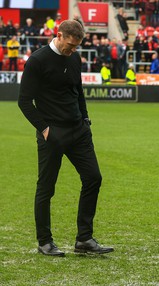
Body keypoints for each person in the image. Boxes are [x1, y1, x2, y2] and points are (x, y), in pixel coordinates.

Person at [18, 20, 114, 257]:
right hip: (53, 133)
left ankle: (84, 239)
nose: (72, 51)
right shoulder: (37, 61)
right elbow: (24, 101)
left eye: (76, 47)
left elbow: (78, 91)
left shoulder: (74, 57)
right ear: (58, 35)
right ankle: (45, 242)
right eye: (70, 45)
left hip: (78, 130)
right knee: (46, 188)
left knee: (93, 178)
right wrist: (45, 129)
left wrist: (85, 120)